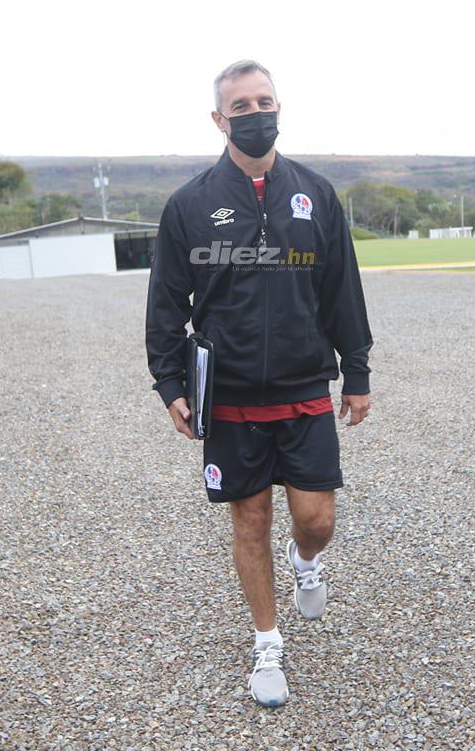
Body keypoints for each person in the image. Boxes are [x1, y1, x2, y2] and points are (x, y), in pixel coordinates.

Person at [146, 60, 373, 706]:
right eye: (240, 106)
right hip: (233, 394)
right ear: (220, 120)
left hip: (304, 386)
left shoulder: (316, 194)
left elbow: (342, 291)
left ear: (281, 107)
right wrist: (171, 384)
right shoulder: (190, 204)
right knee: (250, 520)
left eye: (264, 101)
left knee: (316, 517)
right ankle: (267, 644)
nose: (255, 113)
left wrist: (355, 371)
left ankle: (307, 561)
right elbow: (165, 305)